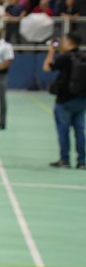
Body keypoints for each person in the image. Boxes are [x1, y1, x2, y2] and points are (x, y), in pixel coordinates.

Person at [44, 33, 86, 168]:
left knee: (63, 129)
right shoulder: (83, 56)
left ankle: (64, 159)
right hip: (82, 99)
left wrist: (51, 51)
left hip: (65, 100)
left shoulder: (65, 58)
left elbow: (46, 67)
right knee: (80, 130)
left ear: (69, 42)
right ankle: (82, 161)